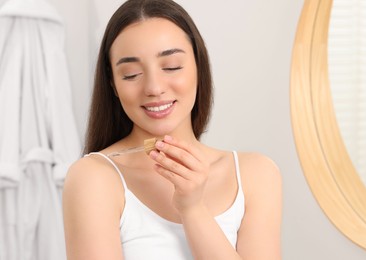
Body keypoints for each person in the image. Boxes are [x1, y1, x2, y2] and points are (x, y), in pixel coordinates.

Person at [62, 0, 282, 259]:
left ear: (199, 67)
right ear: (113, 85)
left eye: (172, 67)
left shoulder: (255, 174)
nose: (154, 87)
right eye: (131, 74)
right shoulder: (94, 177)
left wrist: (193, 209)